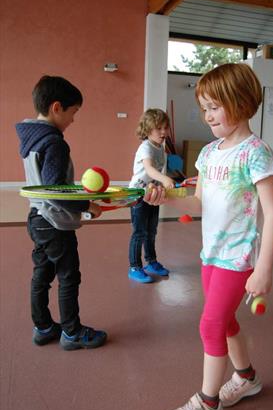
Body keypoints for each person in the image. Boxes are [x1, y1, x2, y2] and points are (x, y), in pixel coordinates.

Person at [145, 63, 273, 410]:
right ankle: (247, 378)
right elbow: (197, 202)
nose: (206, 116)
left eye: (213, 107)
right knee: (227, 322)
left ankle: (208, 405)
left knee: (211, 325)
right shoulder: (208, 153)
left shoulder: (255, 153)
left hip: (237, 260)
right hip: (211, 256)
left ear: (240, 101)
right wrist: (168, 198)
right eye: (203, 108)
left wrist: (263, 269)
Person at [16, 75, 107, 350]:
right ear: (57, 107)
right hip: (54, 221)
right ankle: (72, 332)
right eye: (73, 112)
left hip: (36, 217)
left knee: (42, 274)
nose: (73, 120)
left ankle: (43, 327)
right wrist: (86, 205)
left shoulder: (32, 137)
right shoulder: (54, 142)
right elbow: (56, 189)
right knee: (68, 275)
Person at [128, 108, 175, 283]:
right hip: (138, 195)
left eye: (165, 128)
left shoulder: (160, 148)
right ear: (148, 130)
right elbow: (149, 169)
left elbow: (156, 175)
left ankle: (151, 262)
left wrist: (164, 184)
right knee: (139, 232)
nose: (163, 132)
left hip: (152, 195)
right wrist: (164, 178)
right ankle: (134, 267)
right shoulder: (145, 147)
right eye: (159, 128)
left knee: (151, 231)